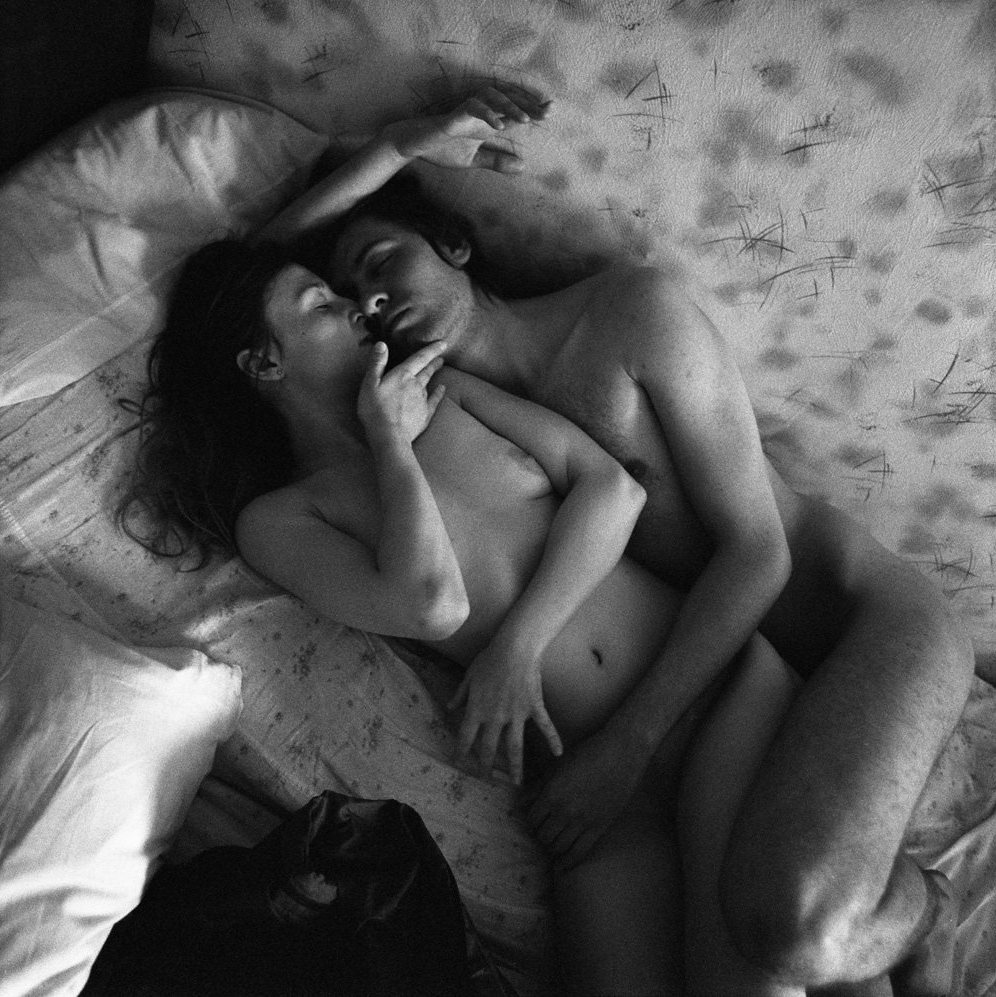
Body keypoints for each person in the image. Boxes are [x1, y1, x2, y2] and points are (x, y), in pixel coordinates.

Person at [269, 84, 976, 994]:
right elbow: (249, 277)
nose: (371, 303)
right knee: (777, 924)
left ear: (454, 246)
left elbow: (760, 553)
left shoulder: (627, 315)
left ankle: (927, 908)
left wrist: (628, 744)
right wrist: (392, 146)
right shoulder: (466, 418)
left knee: (797, 934)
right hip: (738, 677)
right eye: (353, 303)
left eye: (382, 263)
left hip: (862, 625)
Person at [120, 237, 806, 994]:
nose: (354, 307)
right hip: (591, 793)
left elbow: (613, 490)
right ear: (263, 363)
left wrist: (517, 649)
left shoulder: (450, 389)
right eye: (319, 304)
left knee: (746, 973)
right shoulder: (282, 519)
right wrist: (388, 441)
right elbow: (431, 603)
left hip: (708, 692)